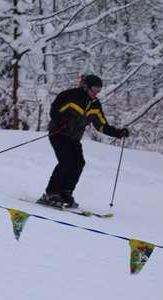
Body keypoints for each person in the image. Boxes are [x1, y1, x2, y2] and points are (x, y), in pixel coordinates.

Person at [40, 74, 129, 209]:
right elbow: (55, 110)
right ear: (86, 87)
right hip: (58, 133)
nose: (96, 93)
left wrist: (118, 132)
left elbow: (101, 125)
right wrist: (61, 121)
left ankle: (65, 193)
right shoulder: (70, 95)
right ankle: (51, 193)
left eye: (99, 90)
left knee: (79, 163)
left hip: (74, 138)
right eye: (95, 89)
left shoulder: (95, 105)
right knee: (66, 161)